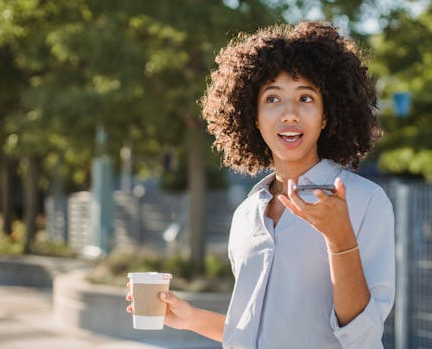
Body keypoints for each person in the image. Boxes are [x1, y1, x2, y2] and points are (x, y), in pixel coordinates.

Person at [126, 20, 395, 349]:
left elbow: (363, 337)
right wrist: (192, 317)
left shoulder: (365, 201)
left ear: (327, 115)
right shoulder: (247, 213)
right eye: (272, 99)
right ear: (252, 115)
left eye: (306, 98)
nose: (290, 114)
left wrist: (341, 240)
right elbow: (255, 330)